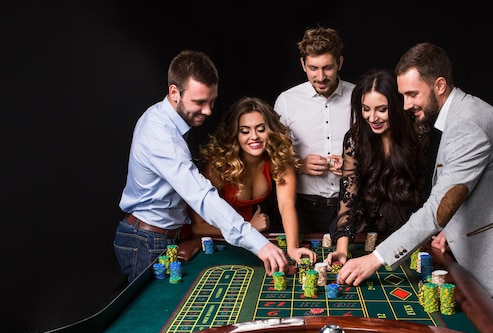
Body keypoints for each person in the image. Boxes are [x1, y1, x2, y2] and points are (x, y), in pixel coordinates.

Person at [334, 42, 493, 323]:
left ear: (439, 85)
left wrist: (376, 258)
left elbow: (439, 207)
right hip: (488, 252)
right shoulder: (457, 116)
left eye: (412, 94)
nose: (405, 105)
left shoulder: (468, 125)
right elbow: (466, 188)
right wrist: (450, 230)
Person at [114, 50, 288, 283]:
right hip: (146, 241)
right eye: (199, 102)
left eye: (212, 101)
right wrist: (259, 244)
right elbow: (202, 196)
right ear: (174, 92)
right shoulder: (160, 135)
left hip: (159, 237)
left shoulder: (165, 119)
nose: (207, 111)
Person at [189, 97, 317, 264]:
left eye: (261, 129)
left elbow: (286, 204)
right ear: (236, 133)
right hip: (213, 239)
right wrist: (248, 229)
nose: (254, 137)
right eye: (245, 131)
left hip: (247, 238)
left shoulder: (278, 159)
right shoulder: (219, 165)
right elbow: (197, 226)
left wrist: (292, 248)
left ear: (270, 130)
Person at [324, 69, 433, 265]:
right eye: (366, 109)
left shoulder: (419, 134)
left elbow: (425, 192)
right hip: (363, 229)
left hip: (406, 230)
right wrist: (341, 250)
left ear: (398, 106)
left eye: (381, 109)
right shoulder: (355, 138)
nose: (372, 117)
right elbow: (349, 196)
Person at [274, 26, 355, 234]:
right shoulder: (286, 101)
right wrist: (298, 164)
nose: (320, 77)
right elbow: (273, 158)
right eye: (313, 68)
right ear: (303, 64)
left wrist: (354, 165)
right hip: (305, 209)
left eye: (327, 67)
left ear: (340, 63)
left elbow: (379, 149)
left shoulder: (359, 97)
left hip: (354, 205)